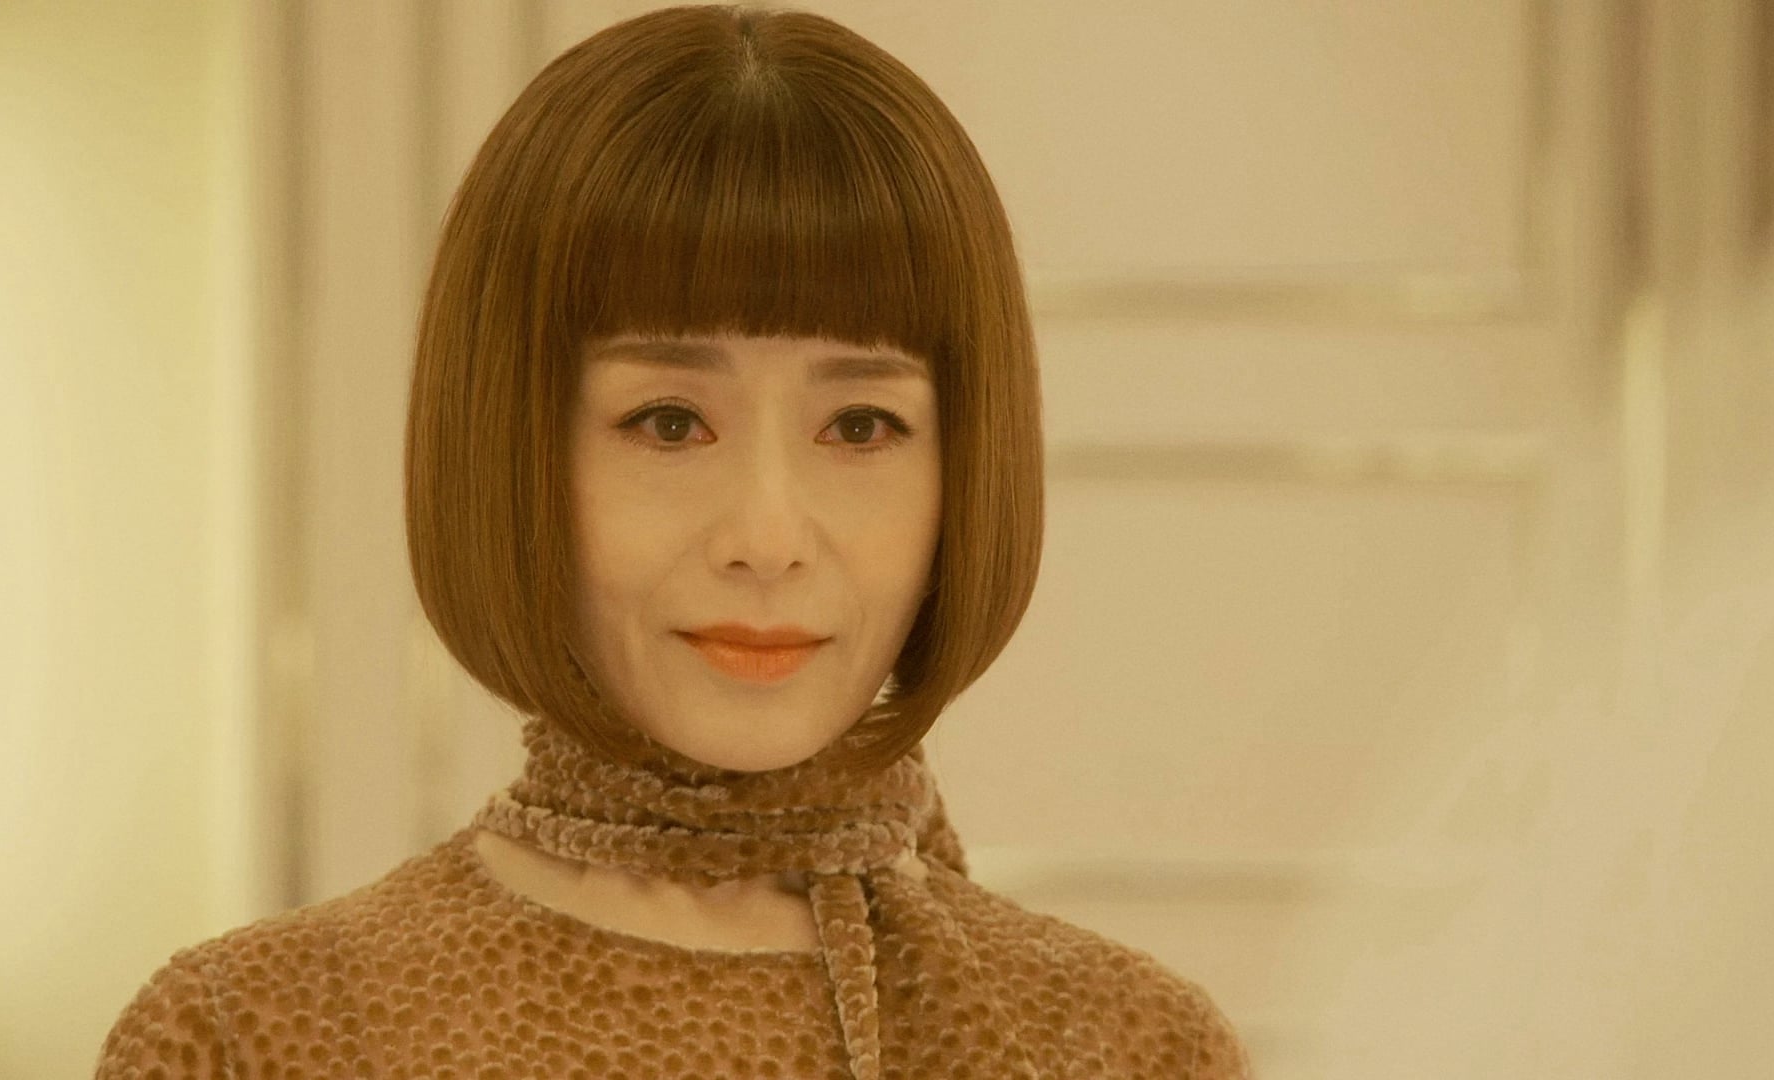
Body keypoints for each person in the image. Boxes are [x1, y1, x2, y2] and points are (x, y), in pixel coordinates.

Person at [95, 5, 1253, 1077]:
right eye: (667, 422)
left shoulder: (1129, 1046)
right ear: (507, 448)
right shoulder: (249, 1036)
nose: (767, 537)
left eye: (861, 425)